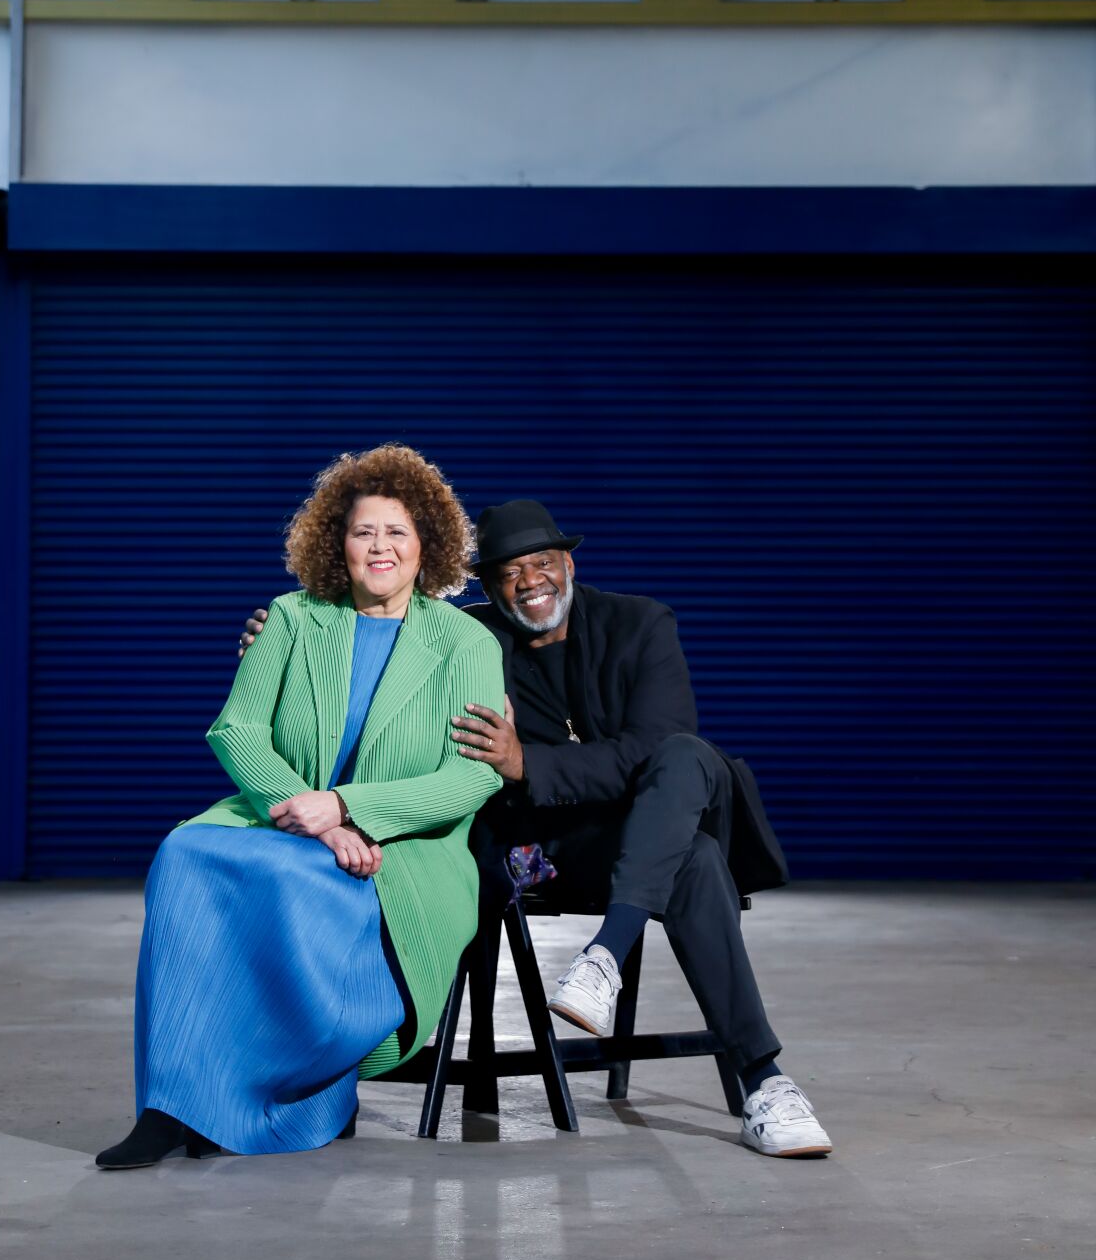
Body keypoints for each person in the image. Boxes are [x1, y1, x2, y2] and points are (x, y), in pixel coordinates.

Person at [241, 496, 832, 1158]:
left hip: (649, 831)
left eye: (542, 563)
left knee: (688, 766)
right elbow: (371, 637)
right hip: (549, 852)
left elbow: (657, 747)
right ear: (489, 586)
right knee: (689, 858)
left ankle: (622, 970)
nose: (530, 582)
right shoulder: (470, 638)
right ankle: (761, 1075)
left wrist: (527, 762)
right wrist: (285, 637)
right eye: (509, 572)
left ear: (567, 563)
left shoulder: (640, 625)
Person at [96, 445, 504, 1169]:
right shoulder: (291, 618)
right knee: (187, 852)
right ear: (335, 544)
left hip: (403, 849)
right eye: (363, 532)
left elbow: (470, 779)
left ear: (427, 547)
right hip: (288, 824)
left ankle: (302, 1091)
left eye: (397, 533)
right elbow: (238, 728)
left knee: (296, 885)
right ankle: (169, 1103)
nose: (379, 547)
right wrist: (301, 808)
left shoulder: (467, 641)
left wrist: (347, 809)